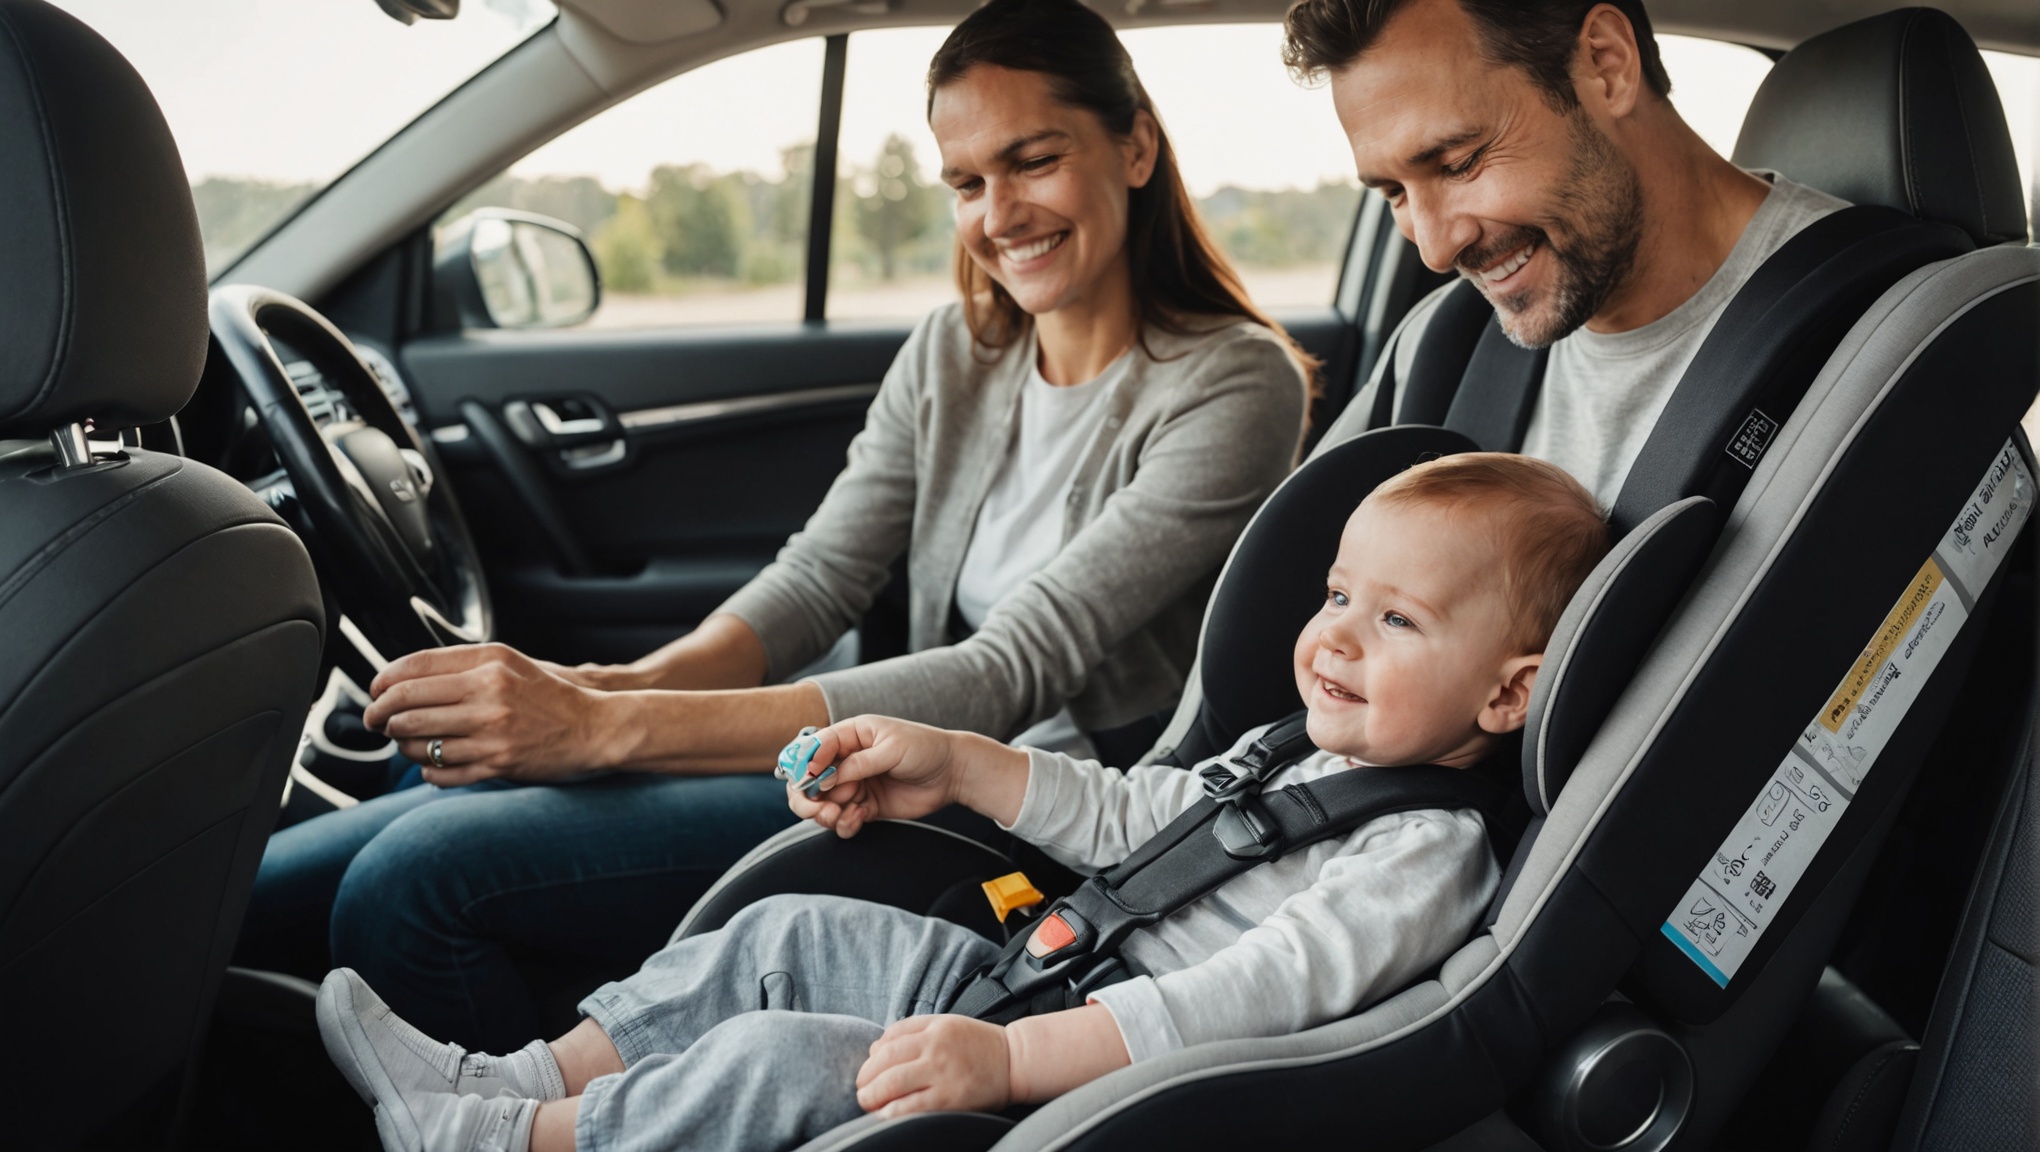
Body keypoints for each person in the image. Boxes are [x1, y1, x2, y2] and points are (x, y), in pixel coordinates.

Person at [236, 0, 1311, 1053]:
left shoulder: (1234, 385)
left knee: (408, 886)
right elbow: (819, 579)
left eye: (1034, 161)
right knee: (429, 773)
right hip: (868, 757)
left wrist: (606, 727)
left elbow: (1008, 670)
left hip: (1014, 817)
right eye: (967, 183)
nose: (999, 213)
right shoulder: (958, 353)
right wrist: (614, 688)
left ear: (1135, 148)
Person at [313, 452, 1613, 1152]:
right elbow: (1134, 822)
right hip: (1038, 977)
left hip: (1096, 1086)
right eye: (1338, 597)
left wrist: (1007, 1059)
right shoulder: (1297, 749)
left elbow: (1248, 1000)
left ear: (1506, 698)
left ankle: (508, 1145)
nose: (1334, 637)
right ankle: (507, 1079)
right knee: (784, 938)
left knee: (777, 1065)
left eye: (1395, 620)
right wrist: (958, 762)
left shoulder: (1427, 852)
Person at [1288, 0, 1849, 502]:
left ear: (1606, 66)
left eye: (1459, 163)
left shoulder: (1876, 329)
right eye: (1395, 193)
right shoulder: (1441, 346)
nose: (1436, 251)